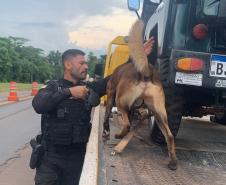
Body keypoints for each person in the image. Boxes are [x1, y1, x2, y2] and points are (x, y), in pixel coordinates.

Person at [32, 49, 109, 185]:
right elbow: (38, 105)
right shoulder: (52, 87)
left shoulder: (88, 90)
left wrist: (137, 57)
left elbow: (113, 79)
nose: (86, 67)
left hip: (77, 160)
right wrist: (69, 92)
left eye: (85, 64)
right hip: (50, 160)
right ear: (68, 65)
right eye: (81, 63)